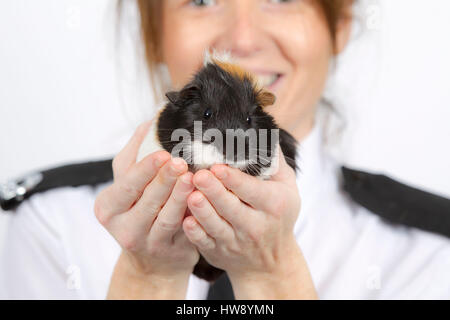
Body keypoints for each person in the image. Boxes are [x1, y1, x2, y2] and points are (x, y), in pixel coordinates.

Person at [0, 0, 449, 299]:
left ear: (341, 25)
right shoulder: (51, 225)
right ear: (153, 30)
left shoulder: (427, 250)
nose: (243, 38)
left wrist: (273, 273)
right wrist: (147, 275)